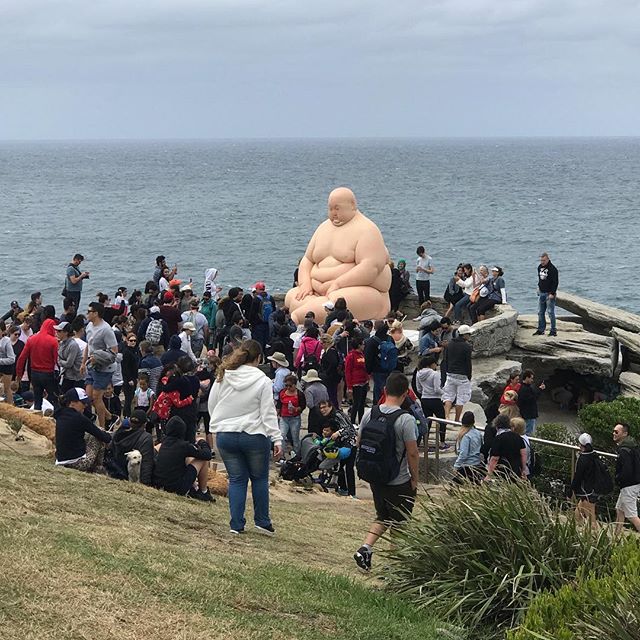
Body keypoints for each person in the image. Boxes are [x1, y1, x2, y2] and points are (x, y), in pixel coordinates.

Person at [284, 187, 392, 324]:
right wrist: (305, 284)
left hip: (360, 292)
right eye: (330, 209)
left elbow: (370, 268)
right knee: (292, 296)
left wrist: (338, 283)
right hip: (317, 291)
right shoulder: (323, 228)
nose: (333, 213)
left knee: (334, 302)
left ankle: (296, 319)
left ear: (352, 205)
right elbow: (308, 259)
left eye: (337, 208)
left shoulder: (368, 230)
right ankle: (306, 311)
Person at [208, 340, 282, 535]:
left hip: (226, 434)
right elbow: (268, 412)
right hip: (254, 434)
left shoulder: (223, 375)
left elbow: (212, 404)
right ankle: (262, 521)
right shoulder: (263, 380)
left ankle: (236, 524)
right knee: (259, 478)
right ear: (258, 358)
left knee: (237, 479)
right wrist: (277, 438)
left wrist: (219, 423)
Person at [353, 372, 419, 573]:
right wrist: (415, 479)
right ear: (405, 393)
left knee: (383, 515)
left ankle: (365, 548)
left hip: (375, 475)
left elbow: (359, 440)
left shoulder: (370, 413)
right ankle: (394, 566)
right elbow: (413, 453)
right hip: (398, 479)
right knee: (400, 523)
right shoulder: (405, 419)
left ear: (384, 390)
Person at [154, 416, 214, 501]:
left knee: (187, 459)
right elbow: (207, 455)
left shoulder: (163, 443)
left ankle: (195, 487)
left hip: (159, 484)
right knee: (201, 459)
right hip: (176, 488)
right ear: (183, 431)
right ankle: (203, 492)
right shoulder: (184, 446)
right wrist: (202, 442)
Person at [54, 387, 112, 472]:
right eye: (83, 403)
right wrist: (109, 436)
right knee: (97, 436)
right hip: (78, 462)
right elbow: (104, 437)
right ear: (72, 403)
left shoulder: (59, 414)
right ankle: (99, 466)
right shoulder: (79, 418)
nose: (86, 405)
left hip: (60, 460)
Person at [82, 301, 119, 429]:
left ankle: (102, 427)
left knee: (97, 398)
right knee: (88, 397)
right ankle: (110, 417)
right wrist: (83, 362)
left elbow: (114, 350)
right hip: (91, 365)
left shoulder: (106, 329)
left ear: (96, 313)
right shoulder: (89, 326)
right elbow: (88, 345)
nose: (87, 314)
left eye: (89, 311)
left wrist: (98, 357)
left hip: (104, 368)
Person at [15, 314, 59, 411]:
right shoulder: (53, 341)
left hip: (34, 374)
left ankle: (37, 420)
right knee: (55, 399)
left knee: (37, 400)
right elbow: (57, 360)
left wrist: (19, 374)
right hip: (48, 374)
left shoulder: (31, 339)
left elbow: (22, 358)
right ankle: (56, 420)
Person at [316, 400, 358, 497]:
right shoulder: (328, 417)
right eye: (321, 408)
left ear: (330, 406)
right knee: (339, 467)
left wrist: (338, 433)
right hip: (340, 444)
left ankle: (352, 493)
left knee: (348, 468)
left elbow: (350, 428)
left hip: (351, 443)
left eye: (324, 407)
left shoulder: (338, 415)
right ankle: (343, 488)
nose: (322, 410)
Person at [111, 410, 155, 484]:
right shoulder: (145, 438)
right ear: (144, 424)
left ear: (129, 422)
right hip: (133, 479)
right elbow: (146, 464)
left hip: (115, 474)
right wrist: (146, 485)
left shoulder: (117, 433)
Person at [441, 324, 473, 423]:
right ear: (465, 335)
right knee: (461, 398)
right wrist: (469, 375)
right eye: (469, 334)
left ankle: (446, 416)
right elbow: (468, 363)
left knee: (448, 396)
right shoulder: (467, 347)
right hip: (462, 376)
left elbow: (445, 359)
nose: (469, 336)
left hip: (450, 373)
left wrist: (446, 371)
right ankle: (456, 419)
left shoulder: (449, 344)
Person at [613, 422, 640, 535]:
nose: (613, 433)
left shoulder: (624, 450)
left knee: (632, 516)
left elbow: (626, 471)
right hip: (633, 483)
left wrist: (618, 478)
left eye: (616, 432)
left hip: (629, 486)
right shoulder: (633, 446)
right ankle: (616, 537)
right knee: (620, 510)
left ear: (624, 434)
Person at [415, 355, 448, 448]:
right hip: (435, 399)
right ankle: (442, 442)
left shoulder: (418, 373)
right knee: (442, 420)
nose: (436, 365)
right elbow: (437, 389)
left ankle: (426, 444)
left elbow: (419, 389)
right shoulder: (435, 374)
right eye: (435, 363)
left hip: (424, 399)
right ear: (431, 364)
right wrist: (444, 392)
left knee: (427, 421)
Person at [570, 433, 601, 527]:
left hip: (587, 492)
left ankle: (596, 537)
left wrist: (571, 491)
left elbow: (577, 476)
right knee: (578, 514)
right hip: (592, 489)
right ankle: (577, 531)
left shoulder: (583, 459)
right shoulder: (594, 456)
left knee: (591, 519)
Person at [484, 416, 527, 481]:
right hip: (516, 469)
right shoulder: (518, 437)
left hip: (502, 470)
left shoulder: (498, 439)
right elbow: (523, 454)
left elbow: (495, 458)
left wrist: (489, 474)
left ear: (496, 426)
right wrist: (523, 469)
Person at [364, 320, 396, 405]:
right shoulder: (390, 338)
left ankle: (379, 407)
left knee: (379, 390)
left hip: (378, 370)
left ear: (375, 328)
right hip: (390, 368)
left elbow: (368, 357)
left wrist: (368, 370)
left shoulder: (372, 341)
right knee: (389, 389)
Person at [276, 374, 306, 457]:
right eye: (286, 385)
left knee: (295, 437)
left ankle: (297, 455)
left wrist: (296, 409)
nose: (288, 388)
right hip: (284, 417)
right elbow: (279, 404)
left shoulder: (299, 394)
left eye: (290, 386)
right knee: (282, 435)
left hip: (295, 418)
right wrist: (277, 413)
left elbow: (303, 405)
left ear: (295, 385)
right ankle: (281, 455)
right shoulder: (282, 392)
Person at [453, 411, 484, 483]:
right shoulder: (478, 433)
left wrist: (456, 465)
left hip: (467, 465)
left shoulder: (466, 436)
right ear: (473, 421)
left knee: (453, 486)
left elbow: (464, 453)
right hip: (477, 463)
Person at [534, 252, 559, 337]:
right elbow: (540, 280)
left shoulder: (553, 269)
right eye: (541, 260)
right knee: (540, 312)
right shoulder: (539, 267)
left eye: (544, 260)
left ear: (548, 259)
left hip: (549, 294)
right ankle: (541, 329)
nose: (542, 262)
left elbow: (555, 282)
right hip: (541, 292)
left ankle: (553, 330)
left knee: (550, 312)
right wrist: (538, 288)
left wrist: (552, 293)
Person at [344, 338, 368, 424]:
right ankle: (352, 422)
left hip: (364, 382)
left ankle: (361, 421)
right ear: (359, 345)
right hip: (356, 383)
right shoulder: (351, 356)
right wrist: (349, 387)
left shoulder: (362, 355)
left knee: (362, 404)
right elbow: (347, 372)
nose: (364, 346)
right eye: (363, 344)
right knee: (356, 404)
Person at [55, 321, 84, 393]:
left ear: (66, 333)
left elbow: (69, 364)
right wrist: (61, 361)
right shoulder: (62, 343)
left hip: (76, 378)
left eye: (59, 331)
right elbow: (58, 359)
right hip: (67, 375)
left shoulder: (73, 345)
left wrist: (60, 361)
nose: (56, 333)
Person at [517, 370, 545, 435]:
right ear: (527, 377)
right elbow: (533, 398)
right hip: (529, 415)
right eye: (531, 378)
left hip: (526, 414)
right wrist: (540, 390)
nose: (532, 380)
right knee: (528, 433)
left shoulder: (524, 387)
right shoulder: (525, 389)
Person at [319, 333, 342, 408]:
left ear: (326, 343)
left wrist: (326, 373)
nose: (321, 345)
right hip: (332, 377)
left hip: (331, 378)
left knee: (331, 395)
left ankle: (334, 410)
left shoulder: (331, 351)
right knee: (332, 395)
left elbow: (333, 363)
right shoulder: (332, 350)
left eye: (322, 343)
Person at [121, 332, 140, 417]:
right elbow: (125, 368)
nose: (133, 342)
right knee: (128, 398)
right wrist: (129, 379)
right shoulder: (126, 352)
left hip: (134, 377)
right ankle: (126, 415)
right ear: (127, 341)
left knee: (131, 397)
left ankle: (128, 414)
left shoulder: (135, 351)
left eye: (134, 341)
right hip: (129, 379)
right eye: (131, 340)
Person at [0, 321, 16, 404]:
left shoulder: (6, 341)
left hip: (7, 366)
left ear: (2, 331)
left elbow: (12, 359)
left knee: (6, 388)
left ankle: (11, 406)